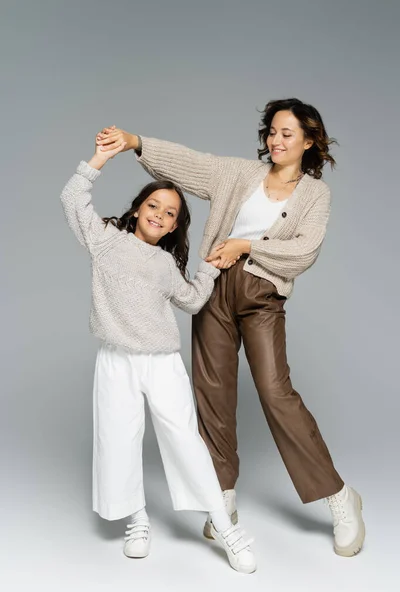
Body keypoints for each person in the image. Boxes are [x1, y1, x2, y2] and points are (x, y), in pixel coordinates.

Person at [96, 98, 365, 558]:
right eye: (272, 132)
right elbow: (191, 162)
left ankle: (339, 496)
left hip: (261, 295)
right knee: (212, 391)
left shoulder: (315, 194)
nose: (276, 141)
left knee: (276, 393)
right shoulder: (239, 174)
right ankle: (222, 494)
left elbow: (304, 250)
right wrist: (135, 143)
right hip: (213, 287)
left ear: (309, 140)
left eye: (287, 133)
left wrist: (246, 244)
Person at [59, 134, 256, 574]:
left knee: (185, 440)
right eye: (154, 206)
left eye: (170, 214)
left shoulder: (167, 264)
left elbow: (190, 300)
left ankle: (224, 525)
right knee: (118, 437)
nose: (160, 215)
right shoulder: (105, 239)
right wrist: (101, 158)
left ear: (173, 228)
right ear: (136, 209)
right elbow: (72, 196)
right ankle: (137, 518)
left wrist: (209, 266)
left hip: (162, 361)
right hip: (116, 359)